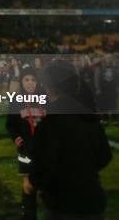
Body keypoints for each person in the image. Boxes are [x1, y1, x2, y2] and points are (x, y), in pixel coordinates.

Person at [29, 59, 113, 219]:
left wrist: (34, 183)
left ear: (48, 86)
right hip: (93, 201)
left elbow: (42, 169)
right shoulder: (88, 115)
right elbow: (104, 156)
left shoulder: (51, 122)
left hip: (63, 206)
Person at [6, 66, 46, 219]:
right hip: (26, 153)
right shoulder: (16, 100)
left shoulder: (45, 98)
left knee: (48, 188)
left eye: (33, 80)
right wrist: (19, 141)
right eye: (26, 79)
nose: (30, 83)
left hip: (46, 152)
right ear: (21, 81)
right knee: (29, 188)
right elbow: (10, 125)